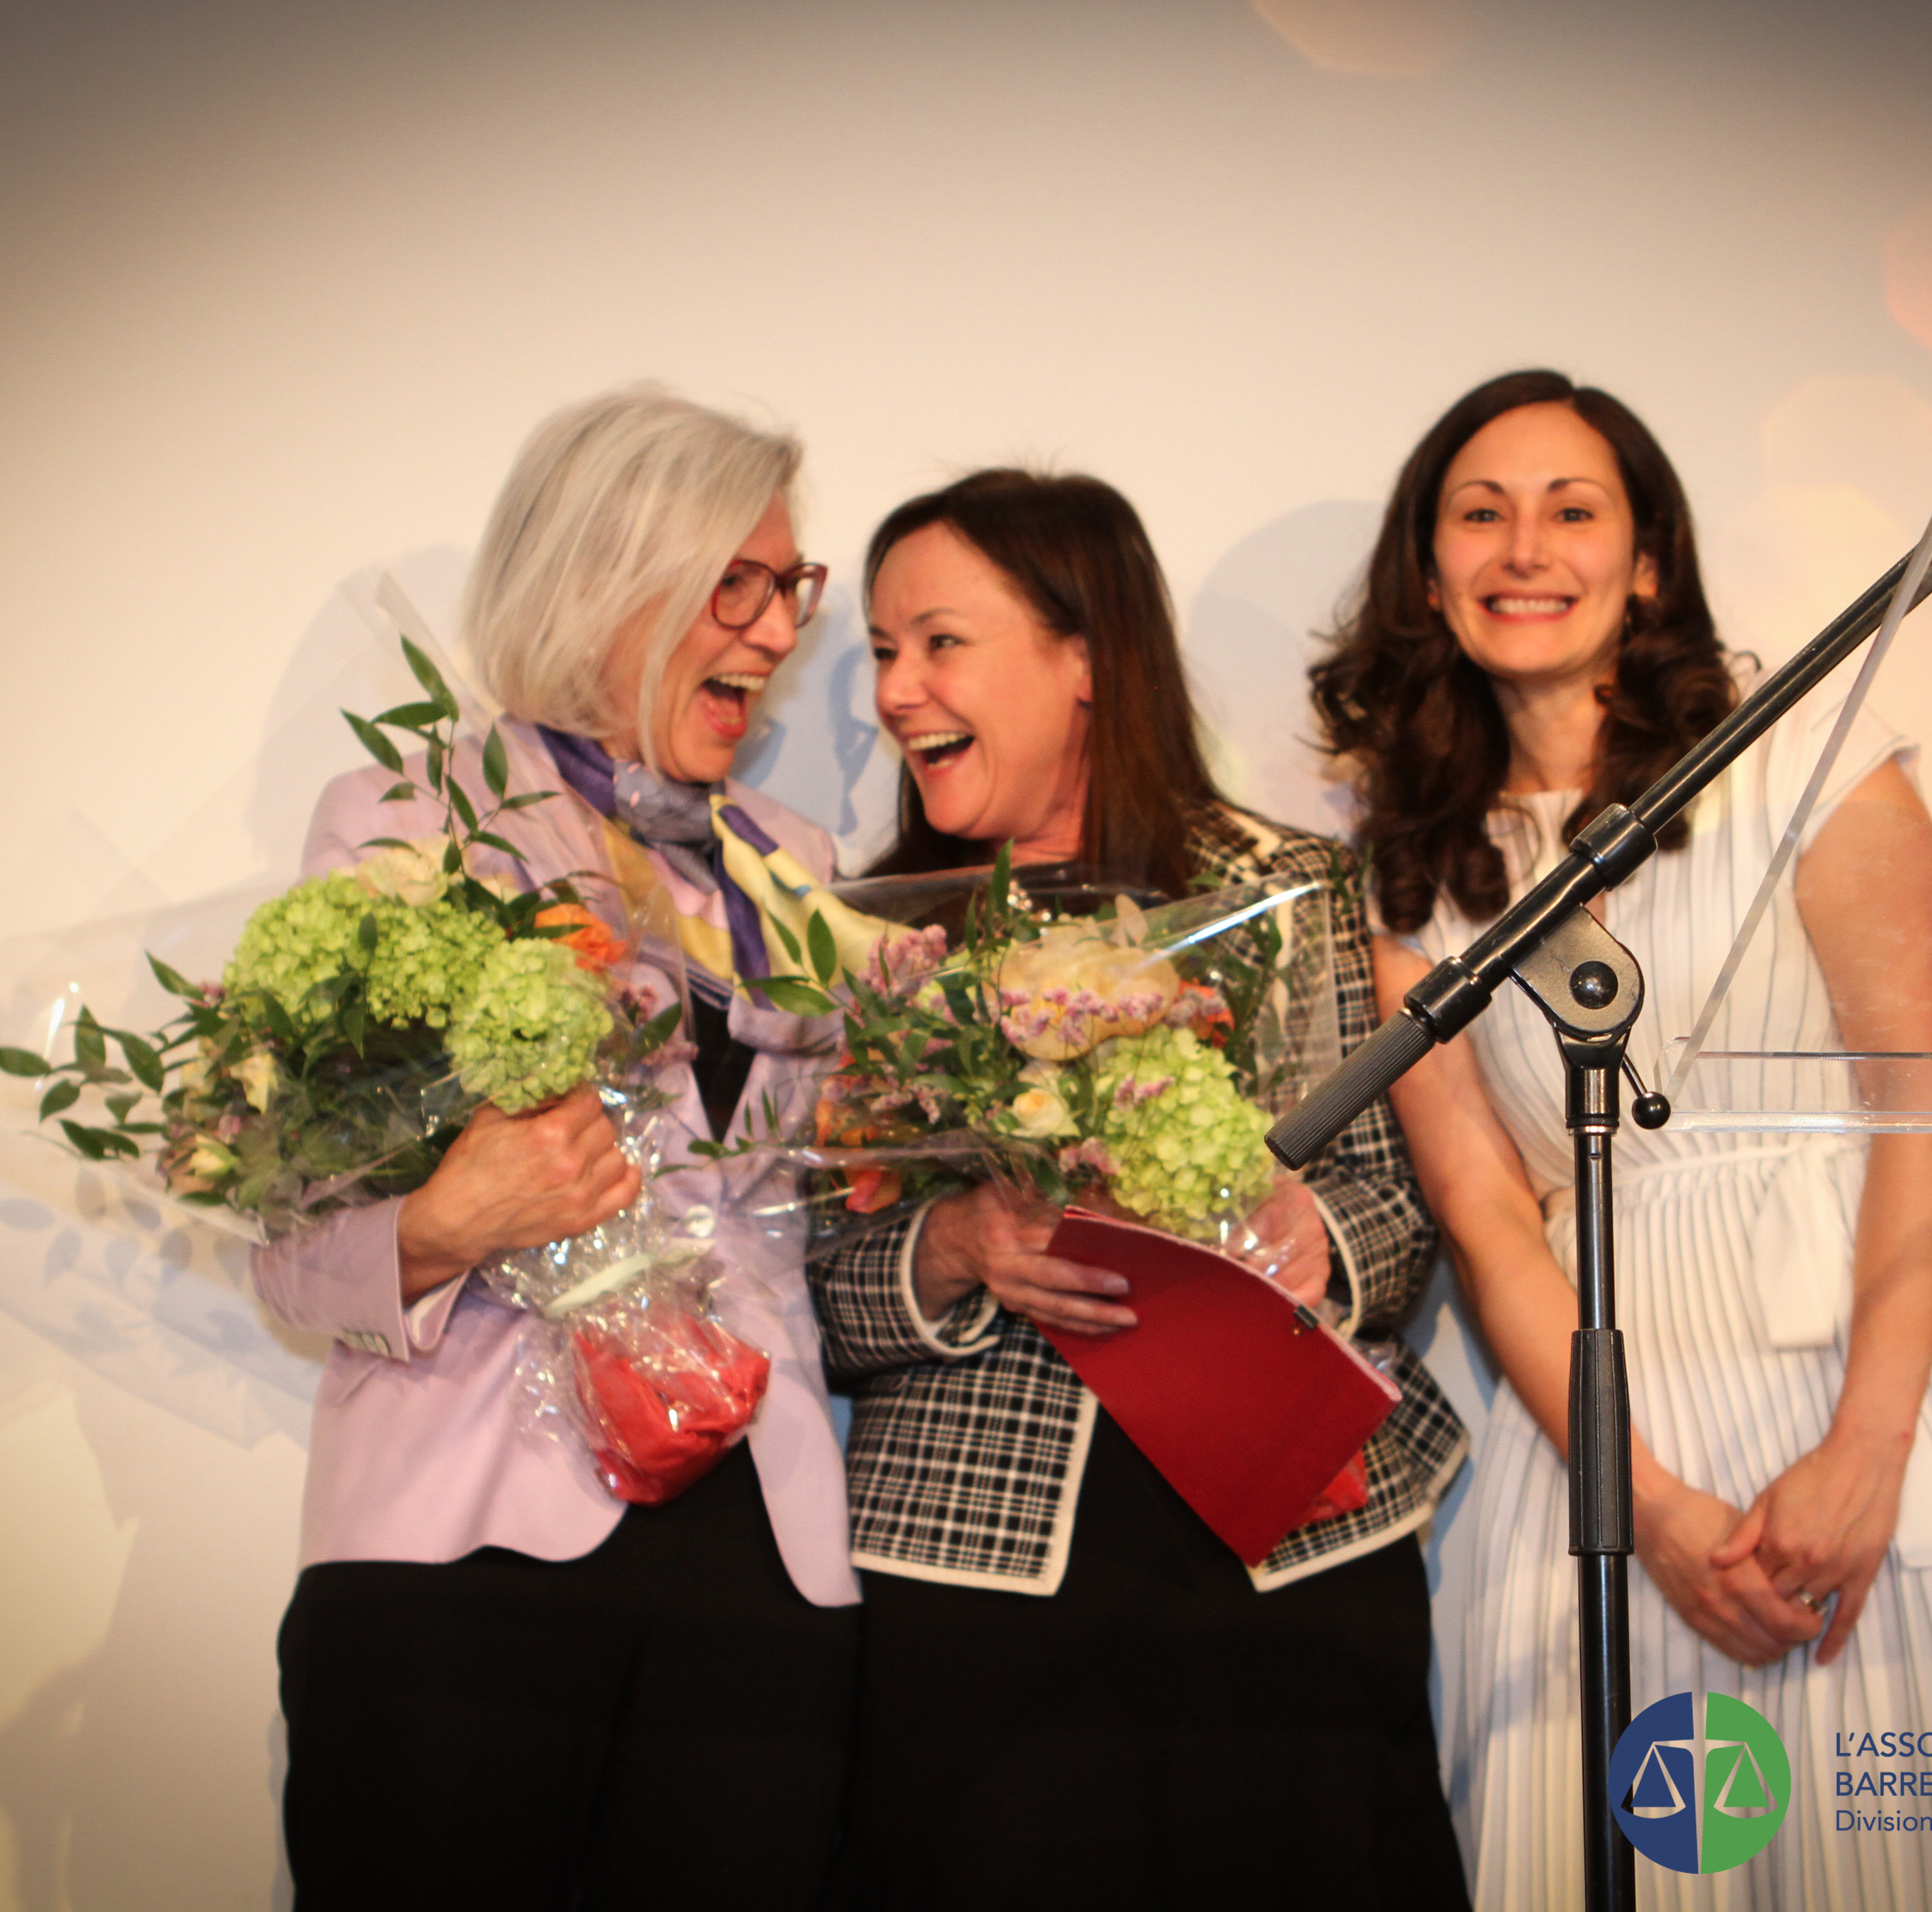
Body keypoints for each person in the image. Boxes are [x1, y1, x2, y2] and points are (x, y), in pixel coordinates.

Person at [1315, 370, 1932, 1910]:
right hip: (1592, 1437)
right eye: (1481, 514)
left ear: (1647, 561)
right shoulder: (1411, 870)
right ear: (1429, 570)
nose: (1527, 548)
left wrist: (1867, 1451)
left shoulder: (1808, 753)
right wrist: (1646, 1512)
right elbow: (1486, 1217)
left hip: (1852, 1387)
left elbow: (1924, 1109)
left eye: (1573, 510)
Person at [809, 469, 1472, 1910]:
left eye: (938, 641)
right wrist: (956, 1247)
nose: (896, 692)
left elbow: (1409, 1217)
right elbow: (805, 1275)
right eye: (879, 649)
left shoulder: (1292, 894)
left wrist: (1311, 1235)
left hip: (1288, 1557)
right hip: (974, 1580)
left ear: (1088, 658)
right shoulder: (870, 943)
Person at [255, 386, 859, 1911]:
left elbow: (802, 1203)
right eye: (742, 583)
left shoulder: (804, 866)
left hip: (763, 1550)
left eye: (791, 587)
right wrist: (451, 1221)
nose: (781, 631)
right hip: (468, 1556)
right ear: (604, 578)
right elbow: (287, 1256)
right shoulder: (409, 825)